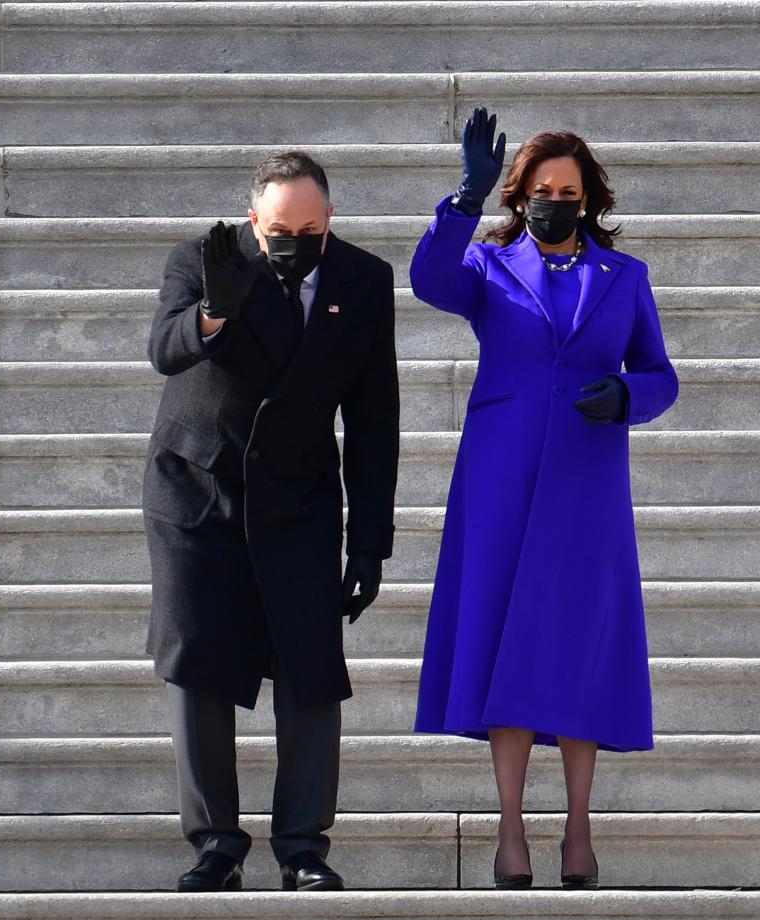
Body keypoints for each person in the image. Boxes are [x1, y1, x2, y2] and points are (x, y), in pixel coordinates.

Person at [411, 109, 679, 890]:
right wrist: (462, 199)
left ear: (589, 198)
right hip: (498, 478)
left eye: (568, 189)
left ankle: (579, 826)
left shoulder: (623, 277)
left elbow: (662, 373)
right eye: (540, 189)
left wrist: (626, 396)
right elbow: (429, 280)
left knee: (576, 647)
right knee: (504, 640)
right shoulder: (490, 268)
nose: (554, 200)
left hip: (586, 482)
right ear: (519, 195)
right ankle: (510, 826)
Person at [142, 151, 399, 893]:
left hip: (299, 499)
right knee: (195, 662)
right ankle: (216, 846)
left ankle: (302, 848)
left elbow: (374, 417)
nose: (296, 242)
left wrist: (370, 540)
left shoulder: (362, 279)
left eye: (311, 228)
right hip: (197, 492)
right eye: (281, 229)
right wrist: (214, 312)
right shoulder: (201, 260)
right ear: (255, 221)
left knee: (312, 670)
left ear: (331, 220)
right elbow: (163, 350)